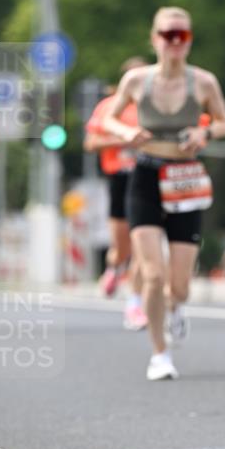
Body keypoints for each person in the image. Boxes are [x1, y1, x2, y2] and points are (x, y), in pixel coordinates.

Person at [103, 6, 225, 380]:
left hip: (185, 178)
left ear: (189, 40)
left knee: (179, 285)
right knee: (152, 274)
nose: (174, 43)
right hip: (144, 176)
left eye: (182, 36)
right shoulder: (136, 80)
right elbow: (109, 117)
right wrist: (126, 133)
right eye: (167, 35)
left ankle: (176, 308)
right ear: (154, 39)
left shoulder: (203, 82)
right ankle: (160, 354)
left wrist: (203, 132)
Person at [83, 57, 148, 330]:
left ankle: (134, 302)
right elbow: (91, 142)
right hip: (119, 178)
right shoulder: (108, 108)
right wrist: (123, 139)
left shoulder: (154, 106)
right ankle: (114, 268)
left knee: (142, 244)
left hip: (146, 178)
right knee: (121, 246)